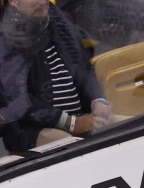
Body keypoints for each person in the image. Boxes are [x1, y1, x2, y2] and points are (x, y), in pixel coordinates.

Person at [0, 0, 113, 154]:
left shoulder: (61, 21)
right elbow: (16, 99)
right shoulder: (4, 36)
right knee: (73, 149)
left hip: (80, 117)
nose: (43, 1)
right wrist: (69, 122)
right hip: (32, 130)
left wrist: (98, 101)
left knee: (129, 128)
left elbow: (85, 67)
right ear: (13, 1)